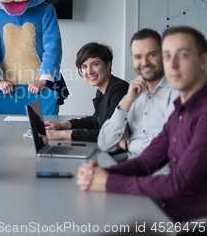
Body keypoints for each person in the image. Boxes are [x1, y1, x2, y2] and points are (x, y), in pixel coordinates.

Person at [76, 26, 207, 222]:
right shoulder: (181, 108)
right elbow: (147, 161)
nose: (173, 64)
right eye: (169, 56)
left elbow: (176, 183)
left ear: (203, 61)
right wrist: (101, 174)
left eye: (183, 56)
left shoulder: (196, 107)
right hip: (166, 200)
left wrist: (109, 180)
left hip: (187, 219)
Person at [98, 29, 178, 165]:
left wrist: (128, 145)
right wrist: (127, 102)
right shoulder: (133, 94)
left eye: (151, 55)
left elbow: (170, 143)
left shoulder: (179, 93)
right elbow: (105, 143)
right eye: (138, 57)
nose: (145, 62)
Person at [44, 43, 128, 142]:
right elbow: (95, 120)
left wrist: (60, 134)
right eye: (84, 66)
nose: (89, 72)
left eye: (95, 64)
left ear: (108, 65)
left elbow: (108, 134)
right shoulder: (103, 89)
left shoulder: (119, 90)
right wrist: (60, 125)